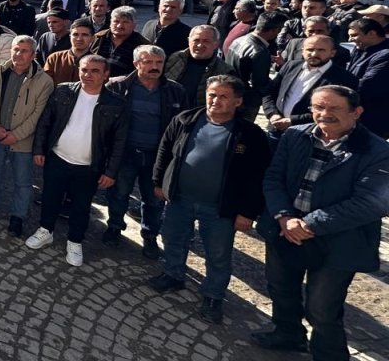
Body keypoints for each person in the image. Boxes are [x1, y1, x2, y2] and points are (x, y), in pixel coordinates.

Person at [253, 86, 389, 358]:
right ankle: (288, 335)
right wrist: (284, 216)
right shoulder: (294, 135)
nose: (324, 114)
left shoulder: (378, 151)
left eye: (334, 108)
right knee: (281, 288)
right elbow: (273, 178)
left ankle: (328, 354)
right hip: (285, 229)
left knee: (322, 307)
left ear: (356, 112)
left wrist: (308, 225)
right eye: (318, 107)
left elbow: (371, 203)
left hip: (338, 241)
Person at [149, 75, 272, 324]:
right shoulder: (185, 120)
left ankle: (213, 295)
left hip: (220, 207)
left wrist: (248, 212)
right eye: (212, 94)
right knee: (173, 239)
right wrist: (159, 181)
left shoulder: (250, 134)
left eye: (223, 96)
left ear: (238, 101)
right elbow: (165, 150)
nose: (215, 100)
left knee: (217, 254)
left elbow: (258, 176)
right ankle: (173, 274)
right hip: (180, 198)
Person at [25, 55, 127, 266]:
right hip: (58, 158)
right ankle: (46, 230)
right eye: (84, 70)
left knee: (81, 206)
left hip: (89, 167)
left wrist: (110, 172)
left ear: (106, 75)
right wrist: (39, 149)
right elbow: (45, 122)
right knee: (50, 198)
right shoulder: (63, 91)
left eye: (95, 71)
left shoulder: (116, 104)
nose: (88, 75)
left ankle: (74, 241)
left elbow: (119, 142)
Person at [103, 45, 186, 258]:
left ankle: (150, 236)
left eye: (159, 62)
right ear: (136, 64)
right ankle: (114, 226)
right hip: (125, 153)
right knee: (119, 193)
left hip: (157, 156)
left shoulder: (175, 91)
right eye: (148, 62)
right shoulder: (117, 86)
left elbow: (182, 127)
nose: (154, 67)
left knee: (153, 199)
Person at [0, 35, 54, 238]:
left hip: (23, 141)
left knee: (23, 181)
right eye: (16, 49)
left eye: (24, 51)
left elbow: (38, 115)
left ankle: (18, 216)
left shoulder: (44, 81)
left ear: (33, 54)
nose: (18, 54)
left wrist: (16, 135)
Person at [264, 34, 357, 147]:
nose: (314, 54)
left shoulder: (343, 78)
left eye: (321, 50)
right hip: (276, 130)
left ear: (332, 53)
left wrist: (292, 120)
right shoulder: (290, 66)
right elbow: (269, 92)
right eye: (310, 49)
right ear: (302, 51)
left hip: (309, 136)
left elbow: (335, 111)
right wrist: (272, 114)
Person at [226, 11, 287, 122]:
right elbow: (260, 83)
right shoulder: (260, 51)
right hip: (246, 101)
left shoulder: (239, 40)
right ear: (275, 30)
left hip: (231, 93)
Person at [165, 25, 233, 105]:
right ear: (189, 41)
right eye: (196, 40)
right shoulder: (173, 59)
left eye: (206, 41)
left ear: (216, 44)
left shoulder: (225, 71)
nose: (200, 45)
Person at [345, 18, 389, 139]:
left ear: (372, 33)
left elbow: (367, 86)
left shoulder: (385, 55)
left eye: (354, 35)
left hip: (373, 118)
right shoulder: (360, 49)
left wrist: (339, 94)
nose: (350, 40)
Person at [90, 6, 149, 78]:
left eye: (125, 22)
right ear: (110, 22)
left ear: (134, 25)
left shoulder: (143, 45)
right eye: (116, 21)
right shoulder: (98, 38)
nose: (119, 26)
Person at [44, 19, 94, 85]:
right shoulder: (54, 58)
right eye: (75, 34)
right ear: (70, 36)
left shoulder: (97, 62)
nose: (79, 39)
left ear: (92, 38)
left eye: (84, 35)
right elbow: (45, 84)